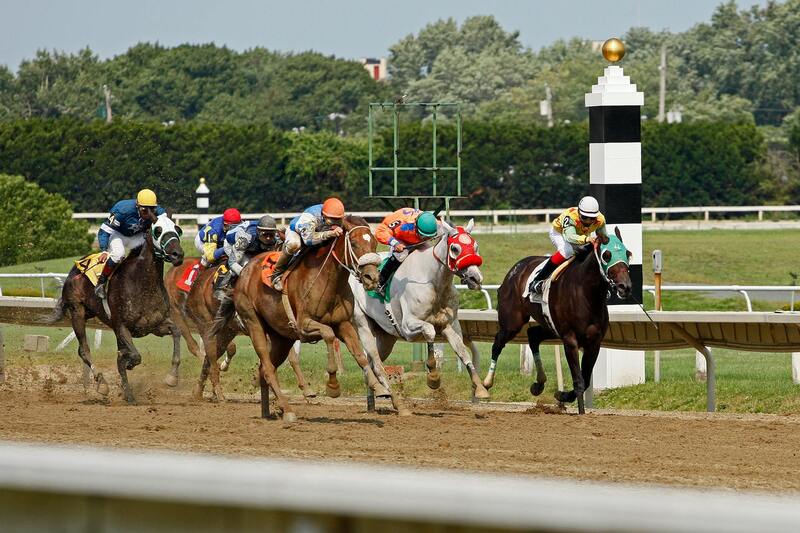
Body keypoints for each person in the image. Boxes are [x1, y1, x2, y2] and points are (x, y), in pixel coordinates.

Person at [529, 195, 609, 296]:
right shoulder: (570, 216)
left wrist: (604, 240)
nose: (588, 221)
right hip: (560, 233)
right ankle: (538, 280)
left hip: (581, 236)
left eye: (592, 218)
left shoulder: (601, 219)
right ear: (579, 212)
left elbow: (603, 236)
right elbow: (569, 237)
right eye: (584, 217)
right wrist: (587, 239)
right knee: (566, 251)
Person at [95, 189, 165, 299]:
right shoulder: (122, 210)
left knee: (154, 248)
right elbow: (105, 230)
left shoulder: (158, 210)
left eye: (152, 209)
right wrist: (104, 249)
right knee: (119, 254)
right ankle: (101, 283)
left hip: (137, 236)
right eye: (144, 210)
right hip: (119, 235)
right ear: (137, 205)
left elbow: (166, 220)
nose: (149, 213)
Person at [270, 198, 346, 291]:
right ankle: (276, 274)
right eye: (332, 220)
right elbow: (309, 240)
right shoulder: (310, 217)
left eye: (337, 220)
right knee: (294, 245)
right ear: (324, 215)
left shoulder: (335, 215)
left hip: (317, 232)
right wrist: (331, 233)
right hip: (298, 233)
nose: (335, 222)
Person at [213, 216, 282, 301]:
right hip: (232, 244)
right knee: (247, 264)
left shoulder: (276, 238)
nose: (268, 238)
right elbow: (232, 262)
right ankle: (223, 286)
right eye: (265, 234)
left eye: (270, 235)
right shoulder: (245, 238)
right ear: (258, 231)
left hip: (253, 245)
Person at [373, 208, 439, 298]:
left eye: (429, 237)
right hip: (399, 237)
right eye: (423, 235)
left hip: (414, 237)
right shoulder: (401, 223)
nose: (425, 239)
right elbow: (380, 231)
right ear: (415, 225)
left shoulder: (433, 222)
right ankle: (380, 282)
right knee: (401, 254)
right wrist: (395, 243)